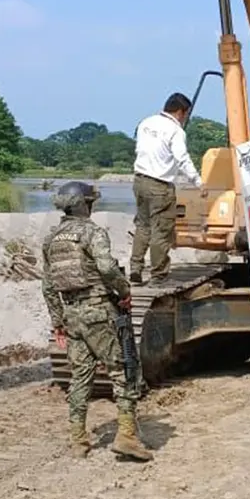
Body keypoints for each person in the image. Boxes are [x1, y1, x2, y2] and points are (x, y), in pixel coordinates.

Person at [41, 181, 154, 462]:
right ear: (84, 204)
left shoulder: (52, 238)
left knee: (80, 377)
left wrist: (58, 321)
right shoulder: (91, 232)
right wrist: (125, 291)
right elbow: (105, 267)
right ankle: (126, 436)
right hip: (98, 312)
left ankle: (78, 440)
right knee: (123, 370)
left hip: (72, 315)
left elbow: (47, 285)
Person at [131, 92, 206, 287]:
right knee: (161, 232)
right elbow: (182, 158)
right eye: (186, 114)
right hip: (160, 185)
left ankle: (135, 269)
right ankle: (159, 276)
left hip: (139, 181)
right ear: (181, 112)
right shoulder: (175, 131)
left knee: (143, 226)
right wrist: (198, 182)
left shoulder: (146, 123)